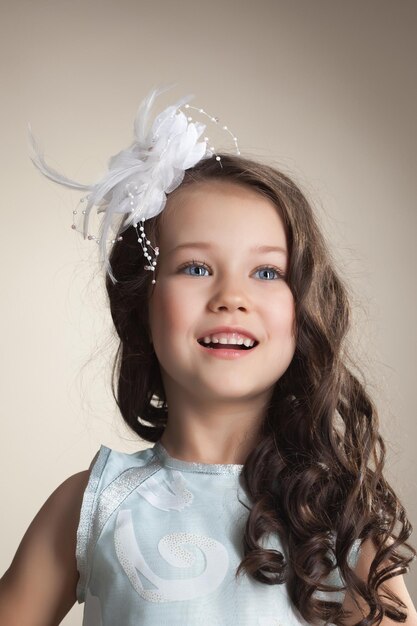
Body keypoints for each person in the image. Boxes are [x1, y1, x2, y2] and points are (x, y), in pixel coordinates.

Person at [0, 90, 416, 626]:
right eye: (196, 268)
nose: (231, 296)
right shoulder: (93, 505)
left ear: (304, 311)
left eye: (267, 273)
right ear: (143, 304)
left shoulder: (340, 520)